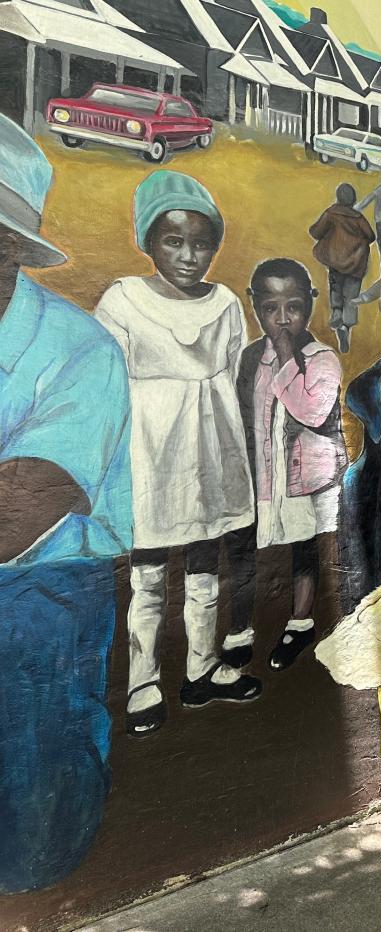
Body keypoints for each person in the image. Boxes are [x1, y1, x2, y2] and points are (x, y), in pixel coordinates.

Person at [0, 115, 132, 893]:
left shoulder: (81, 351)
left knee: (31, 849)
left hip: (44, 586)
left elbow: (19, 512)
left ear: (10, 245)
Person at [95, 170, 262, 738]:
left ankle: (200, 667)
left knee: (204, 560)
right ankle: (144, 678)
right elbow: (108, 382)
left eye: (202, 244)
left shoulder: (225, 304)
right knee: (148, 568)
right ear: (147, 241)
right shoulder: (122, 301)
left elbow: (236, 375)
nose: (190, 256)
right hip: (152, 457)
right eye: (174, 242)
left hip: (211, 454)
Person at [223, 259, 347, 672]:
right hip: (259, 474)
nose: (281, 319)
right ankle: (239, 630)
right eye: (270, 308)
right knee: (242, 549)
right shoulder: (248, 359)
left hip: (302, 477)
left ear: (310, 305)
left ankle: (301, 621)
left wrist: (287, 358)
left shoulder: (321, 358)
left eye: (293, 308)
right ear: (254, 305)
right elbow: (242, 413)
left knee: (303, 549)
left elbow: (311, 412)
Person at [309, 182, 375, 353]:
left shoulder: (331, 213)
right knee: (352, 296)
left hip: (336, 262)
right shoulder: (358, 218)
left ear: (338, 197)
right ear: (353, 200)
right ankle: (346, 327)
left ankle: (336, 312)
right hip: (355, 264)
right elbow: (371, 236)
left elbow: (316, 232)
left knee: (336, 288)